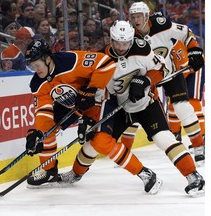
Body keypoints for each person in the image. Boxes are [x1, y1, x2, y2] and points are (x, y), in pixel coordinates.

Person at [60, 21, 205, 197]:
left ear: (131, 39)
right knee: (95, 142)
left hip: (146, 104)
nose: (122, 47)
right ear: (111, 39)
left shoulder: (142, 49)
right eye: (118, 43)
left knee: (163, 139)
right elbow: (96, 93)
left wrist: (146, 81)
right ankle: (76, 173)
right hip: (119, 106)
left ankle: (193, 175)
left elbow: (162, 69)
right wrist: (88, 119)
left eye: (126, 43)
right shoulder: (101, 59)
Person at [23, 38, 163, 195]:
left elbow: (106, 63)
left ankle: (144, 173)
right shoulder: (37, 83)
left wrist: (91, 89)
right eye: (32, 66)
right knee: (45, 132)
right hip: (73, 103)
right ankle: (49, 171)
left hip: (99, 99)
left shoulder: (70, 61)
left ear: (47, 58)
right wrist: (39, 133)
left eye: (37, 65)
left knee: (101, 142)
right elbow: (44, 111)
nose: (35, 70)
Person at [125, 1, 205, 166]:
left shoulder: (162, 25)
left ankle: (199, 147)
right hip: (147, 78)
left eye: (139, 16)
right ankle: (125, 151)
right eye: (133, 16)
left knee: (183, 107)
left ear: (147, 16)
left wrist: (194, 49)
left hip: (170, 72)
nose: (136, 19)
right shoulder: (129, 34)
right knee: (132, 109)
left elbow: (186, 32)